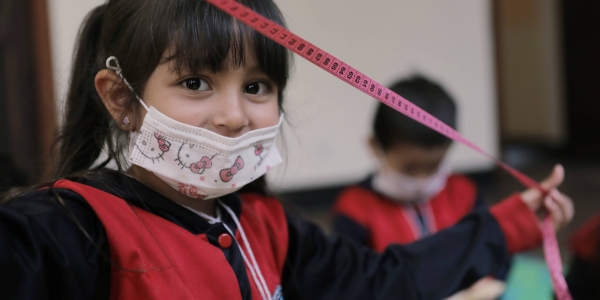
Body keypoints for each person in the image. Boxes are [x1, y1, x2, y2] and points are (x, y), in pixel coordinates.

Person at [0, 1, 573, 299]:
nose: (234, 115)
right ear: (122, 100)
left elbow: (381, 282)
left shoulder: (267, 225)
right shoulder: (70, 231)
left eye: (256, 87)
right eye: (196, 82)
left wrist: (506, 226)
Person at [331, 76, 511, 298]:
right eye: (410, 169)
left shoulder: (465, 194)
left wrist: (487, 284)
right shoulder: (354, 209)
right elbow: (352, 284)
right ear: (374, 146)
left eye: (434, 167)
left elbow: (494, 253)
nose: (422, 179)